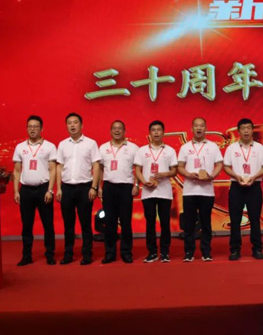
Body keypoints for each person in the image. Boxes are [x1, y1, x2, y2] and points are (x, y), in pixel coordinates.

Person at [56, 113, 101, 265]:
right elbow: (59, 167)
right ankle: (68, 254)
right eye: (69, 123)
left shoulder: (91, 143)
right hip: (67, 188)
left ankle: (87, 254)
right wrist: (59, 188)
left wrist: (94, 187)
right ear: (66, 126)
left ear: (81, 125)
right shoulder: (62, 144)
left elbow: (96, 166)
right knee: (68, 224)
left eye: (75, 122)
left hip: (85, 188)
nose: (72, 125)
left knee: (85, 223)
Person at [12, 115, 57, 266]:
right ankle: (26, 256)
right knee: (26, 225)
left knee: (48, 224)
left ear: (41, 129)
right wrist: (16, 191)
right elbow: (17, 171)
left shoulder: (50, 146)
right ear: (26, 128)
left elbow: (53, 170)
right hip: (26, 190)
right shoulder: (20, 147)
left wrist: (50, 190)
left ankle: (50, 254)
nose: (32, 129)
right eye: (30, 126)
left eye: (35, 126)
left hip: (43, 189)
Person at [223, 118, 263, 260]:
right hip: (236, 186)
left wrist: (254, 177)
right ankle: (235, 250)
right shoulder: (232, 148)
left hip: (254, 186)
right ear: (239, 131)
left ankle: (257, 248)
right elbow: (226, 167)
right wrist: (237, 176)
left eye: (249, 128)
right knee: (235, 220)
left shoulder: (260, 148)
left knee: (255, 219)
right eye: (243, 128)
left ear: (252, 130)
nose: (246, 131)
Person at [177, 117, 223, 262]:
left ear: (205, 128)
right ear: (192, 129)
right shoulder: (185, 147)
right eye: (196, 126)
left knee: (206, 223)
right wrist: (188, 175)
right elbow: (179, 167)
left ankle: (206, 251)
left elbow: (219, 164)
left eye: (201, 126)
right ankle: (189, 252)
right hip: (189, 191)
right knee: (189, 224)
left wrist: (212, 176)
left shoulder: (213, 146)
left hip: (206, 191)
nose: (199, 128)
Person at [135, 120, 178, 263]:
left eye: (159, 130)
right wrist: (143, 181)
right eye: (153, 130)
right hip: (148, 192)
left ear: (163, 132)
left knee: (165, 223)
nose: (156, 132)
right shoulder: (142, 151)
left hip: (164, 192)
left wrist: (165, 174)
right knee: (150, 223)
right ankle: (152, 252)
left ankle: (165, 252)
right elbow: (137, 170)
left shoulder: (170, 150)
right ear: (149, 133)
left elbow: (174, 171)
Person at [98, 120, 139, 264]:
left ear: (124, 131)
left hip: (126, 187)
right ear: (110, 131)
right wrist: (99, 187)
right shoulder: (103, 148)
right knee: (110, 222)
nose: (117, 131)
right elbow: (100, 169)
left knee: (126, 221)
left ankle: (126, 252)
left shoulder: (133, 148)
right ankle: (110, 253)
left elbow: (138, 168)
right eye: (114, 128)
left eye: (120, 128)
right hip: (109, 186)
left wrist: (136, 184)